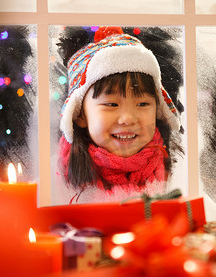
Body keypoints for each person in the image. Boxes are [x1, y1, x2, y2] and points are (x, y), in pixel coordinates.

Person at [53, 26, 184, 204]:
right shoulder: (55, 181)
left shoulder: (178, 177)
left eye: (142, 104)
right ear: (80, 115)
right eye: (111, 104)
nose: (128, 119)